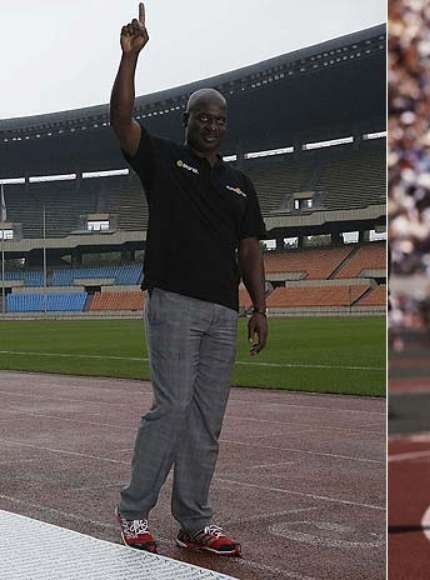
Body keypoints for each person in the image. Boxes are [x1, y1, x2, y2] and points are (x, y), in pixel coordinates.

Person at [111, 3, 268, 556]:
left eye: (220, 119)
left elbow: (250, 248)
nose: (212, 125)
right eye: (203, 116)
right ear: (187, 120)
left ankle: (194, 519)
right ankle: (134, 512)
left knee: (207, 419)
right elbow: (122, 122)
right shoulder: (164, 162)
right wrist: (130, 58)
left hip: (222, 311)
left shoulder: (240, 185)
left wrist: (259, 307)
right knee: (171, 407)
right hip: (173, 299)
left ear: (227, 127)